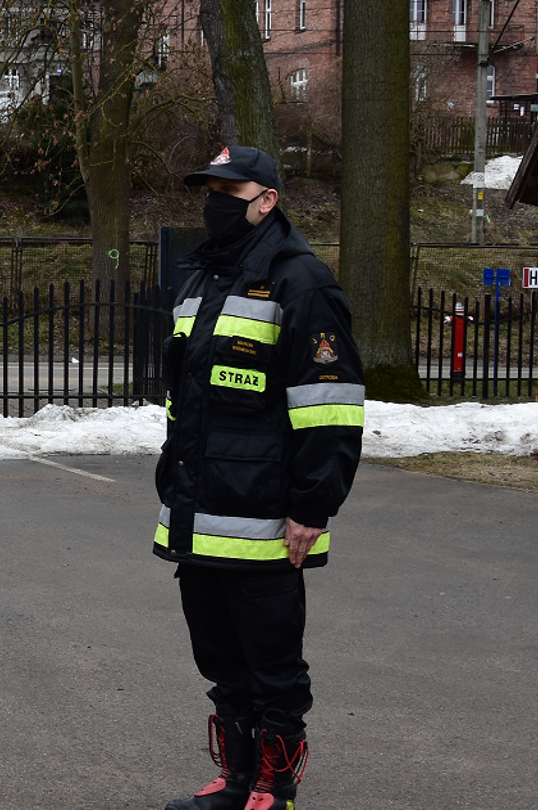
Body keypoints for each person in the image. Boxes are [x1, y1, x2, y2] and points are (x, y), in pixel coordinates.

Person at [154, 146, 364, 810]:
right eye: (208, 191)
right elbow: (185, 403)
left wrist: (313, 506)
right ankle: (237, 778)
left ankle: (276, 787)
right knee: (220, 662)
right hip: (199, 512)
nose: (215, 202)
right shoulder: (201, 280)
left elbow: (331, 409)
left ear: (267, 198)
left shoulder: (302, 281)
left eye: (229, 190)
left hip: (270, 520)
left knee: (274, 667)